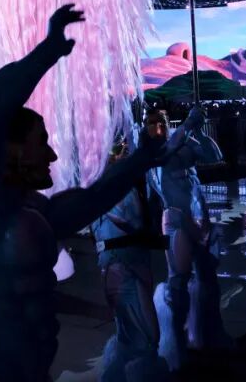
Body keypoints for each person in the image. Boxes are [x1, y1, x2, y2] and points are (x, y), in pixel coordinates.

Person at [0, 5, 170, 381]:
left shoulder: (33, 213)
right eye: (40, 142)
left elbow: (93, 199)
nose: (51, 155)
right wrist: (47, 51)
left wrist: (142, 158)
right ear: (11, 149)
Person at [148, 108, 232, 371]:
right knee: (178, 283)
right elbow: (166, 151)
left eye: (161, 121)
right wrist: (187, 124)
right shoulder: (154, 152)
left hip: (200, 217)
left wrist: (198, 131)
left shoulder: (182, 142)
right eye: (151, 122)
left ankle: (208, 334)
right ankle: (175, 346)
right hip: (177, 219)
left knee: (208, 278)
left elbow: (214, 155)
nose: (157, 127)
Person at [91, 138, 169, 382]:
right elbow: (133, 220)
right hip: (120, 264)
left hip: (131, 260)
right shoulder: (109, 187)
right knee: (145, 336)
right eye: (119, 147)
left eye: (127, 146)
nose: (126, 151)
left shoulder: (123, 184)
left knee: (137, 335)